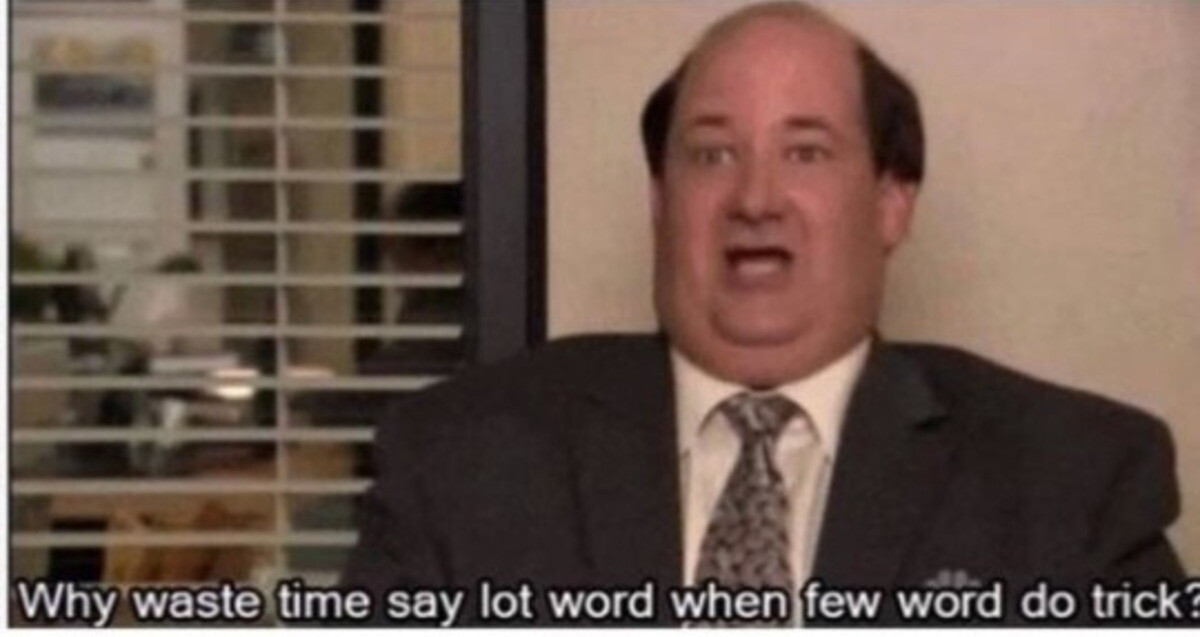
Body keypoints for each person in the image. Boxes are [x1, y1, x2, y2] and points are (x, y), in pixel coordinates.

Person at [342, 1, 1185, 625]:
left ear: (891, 202)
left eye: (806, 151)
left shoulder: (1073, 482)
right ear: (660, 200)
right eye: (713, 153)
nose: (755, 198)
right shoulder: (461, 462)